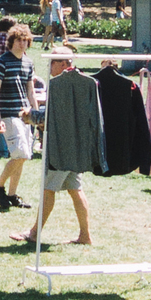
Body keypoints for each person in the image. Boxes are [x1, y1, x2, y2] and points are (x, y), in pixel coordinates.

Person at [14, 52, 93, 247]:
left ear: (65, 63)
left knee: (48, 190)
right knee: (75, 190)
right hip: (76, 147)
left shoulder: (61, 85)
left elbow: (56, 118)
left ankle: (33, 233)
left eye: (53, 62)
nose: (49, 67)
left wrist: (31, 116)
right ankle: (85, 235)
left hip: (61, 148)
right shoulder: (83, 82)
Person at [0, 25, 37, 211]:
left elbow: (30, 90)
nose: (23, 43)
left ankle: (11, 194)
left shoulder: (28, 62)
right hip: (8, 113)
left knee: (24, 156)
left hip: (25, 114)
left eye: (25, 40)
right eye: (19, 40)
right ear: (11, 41)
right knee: (20, 153)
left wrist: (37, 115)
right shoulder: (2, 61)